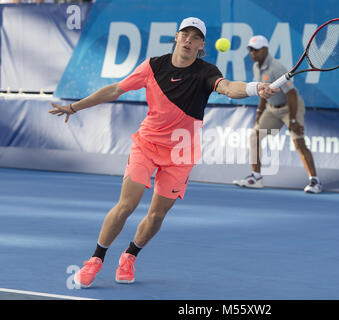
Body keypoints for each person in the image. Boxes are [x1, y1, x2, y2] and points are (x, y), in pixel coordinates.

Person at [49, 17, 278, 288]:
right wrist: (74, 108)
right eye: (185, 35)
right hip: (147, 144)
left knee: (157, 215)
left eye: (195, 37)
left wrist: (254, 88)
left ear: (202, 44)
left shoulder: (206, 71)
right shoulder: (152, 66)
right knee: (127, 205)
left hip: (181, 152)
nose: (189, 41)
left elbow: (228, 88)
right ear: (176, 37)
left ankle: (130, 256)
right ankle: (95, 260)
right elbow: (114, 89)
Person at [232, 35, 322, 194]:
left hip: (290, 107)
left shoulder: (276, 68)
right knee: (255, 137)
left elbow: (292, 94)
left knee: (298, 142)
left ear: (265, 50)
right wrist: (260, 111)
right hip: (272, 108)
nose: (253, 53)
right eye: (251, 50)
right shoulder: (256, 67)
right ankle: (256, 177)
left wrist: (293, 119)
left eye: (256, 50)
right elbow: (263, 92)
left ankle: (315, 181)